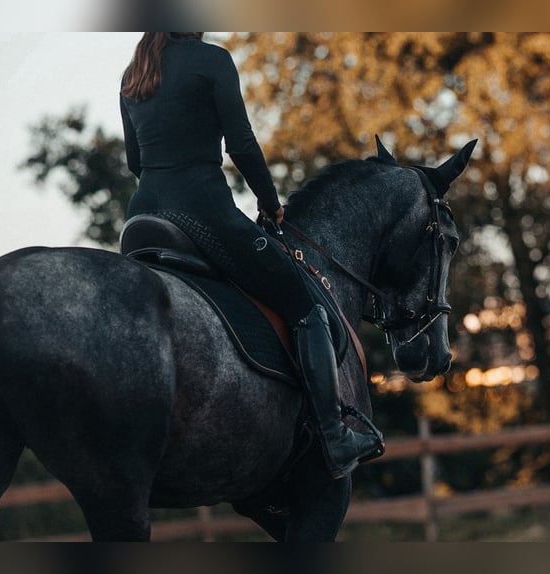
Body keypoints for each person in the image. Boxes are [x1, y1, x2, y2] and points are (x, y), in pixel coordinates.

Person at [119, 32, 382, 479]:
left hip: (141, 219)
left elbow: (134, 160)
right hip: (201, 214)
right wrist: (269, 201)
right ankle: (335, 435)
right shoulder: (212, 60)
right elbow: (240, 142)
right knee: (306, 304)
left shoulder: (134, 72)